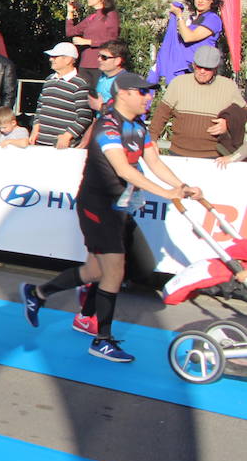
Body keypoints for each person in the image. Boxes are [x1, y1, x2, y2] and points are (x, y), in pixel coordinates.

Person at [21, 71, 201, 362]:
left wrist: (180, 186)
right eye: (142, 92)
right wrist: (166, 193)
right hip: (96, 206)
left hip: (119, 208)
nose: (148, 97)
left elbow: (154, 162)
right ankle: (101, 339)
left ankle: (37, 293)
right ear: (124, 93)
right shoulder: (107, 125)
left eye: (149, 92)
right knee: (114, 270)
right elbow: (123, 169)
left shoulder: (138, 127)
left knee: (95, 271)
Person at [148, 45, 246, 159]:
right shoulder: (178, 83)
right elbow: (161, 115)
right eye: (199, 67)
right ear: (194, 65)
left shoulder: (228, 87)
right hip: (178, 154)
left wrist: (228, 123)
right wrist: (152, 140)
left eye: (208, 68)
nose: (202, 71)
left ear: (215, 69)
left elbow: (242, 113)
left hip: (214, 157)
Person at [150, 0, 225, 86]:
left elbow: (188, 37)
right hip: (183, 69)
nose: (200, 0)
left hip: (198, 71)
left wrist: (179, 16)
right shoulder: (192, 19)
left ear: (212, 0)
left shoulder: (212, 19)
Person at [27, 42, 94, 148]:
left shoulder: (80, 84)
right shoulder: (49, 80)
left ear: (68, 60)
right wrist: (35, 130)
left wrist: (67, 136)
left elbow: (84, 117)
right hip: (40, 143)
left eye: (55, 57)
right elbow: (40, 107)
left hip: (63, 147)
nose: (50, 59)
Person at [66, 0, 120, 71]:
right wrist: (70, 12)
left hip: (101, 65)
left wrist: (88, 42)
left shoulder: (111, 15)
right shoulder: (91, 18)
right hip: (84, 65)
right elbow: (70, 32)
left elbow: (112, 40)